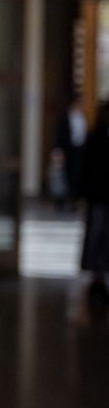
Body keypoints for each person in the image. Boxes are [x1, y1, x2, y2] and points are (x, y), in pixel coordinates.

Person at [81, 105, 109, 303]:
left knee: (100, 236)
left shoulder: (94, 137)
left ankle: (99, 275)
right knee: (98, 236)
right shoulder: (96, 138)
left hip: (98, 196)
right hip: (99, 197)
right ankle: (98, 277)